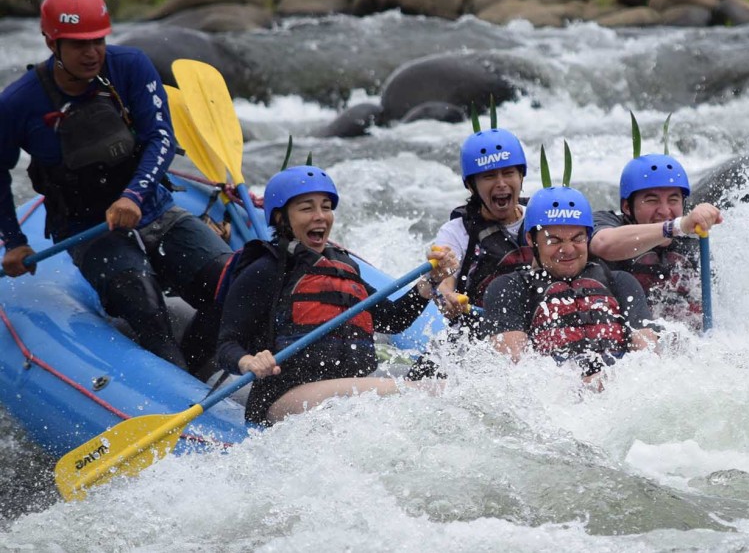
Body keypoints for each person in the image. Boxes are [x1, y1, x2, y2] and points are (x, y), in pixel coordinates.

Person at [0, 0, 231, 370]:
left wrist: (133, 196)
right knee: (142, 301)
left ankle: (195, 369)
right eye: (78, 44)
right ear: (50, 42)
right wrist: (14, 241)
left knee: (231, 287)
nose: (91, 53)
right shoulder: (19, 102)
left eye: (98, 40)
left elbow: (161, 138)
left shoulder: (130, 66)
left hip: (155, 209)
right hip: (85, 227)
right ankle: (176, 388)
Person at [215, 165, 458, 426]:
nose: (320, 216)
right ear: (280, 218)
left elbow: (392, 320)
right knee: (433, 393)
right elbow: (227, 345)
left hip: (345, 385)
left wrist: (430, 282)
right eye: (307, 208)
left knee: (441, 375)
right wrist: (249, 361)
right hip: (284, 395)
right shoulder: (264, 270)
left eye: (326, 207)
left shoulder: (343, 269)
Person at [480, 185, 658, 381]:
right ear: (531, 239)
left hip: (618, 389)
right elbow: (514, 371)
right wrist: (579, 387)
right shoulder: (508, 288)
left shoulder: (621, 282)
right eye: (554, 240)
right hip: (558, 399)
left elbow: (649, 358)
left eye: (577, 238)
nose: (568, 249)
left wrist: (611, 382)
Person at [405, 125, 530, 380]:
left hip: (535, 330)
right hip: (477, 341)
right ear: (472, 186)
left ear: (521, 177)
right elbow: (445, 280)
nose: (501, 184)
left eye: (508, 173)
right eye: (489, 177)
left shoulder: (542, 219)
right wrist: (447, 298)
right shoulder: (456, 232)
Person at [588, 153, 723, 330]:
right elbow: (603, 245)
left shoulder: (692, 248)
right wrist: (675, 226)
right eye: (652, 200)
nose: (665, 211)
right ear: (627, 206)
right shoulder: (606, 222)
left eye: (673, 200)